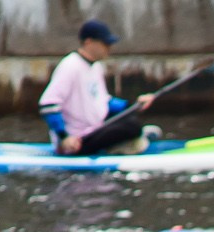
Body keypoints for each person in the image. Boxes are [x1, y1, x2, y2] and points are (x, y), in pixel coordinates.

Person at [39, 19, 154, 156]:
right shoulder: (70, 66)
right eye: (105, 43)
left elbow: (103, 102)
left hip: (94, 130)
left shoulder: (95, 67)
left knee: (130, 121)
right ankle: (132, 143)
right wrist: (64, 137)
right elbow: (48, 104)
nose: (109, 48)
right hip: (77, 142)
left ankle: (131, 141)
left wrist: (134, 105)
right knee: (132, 127)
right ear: (88, 42)